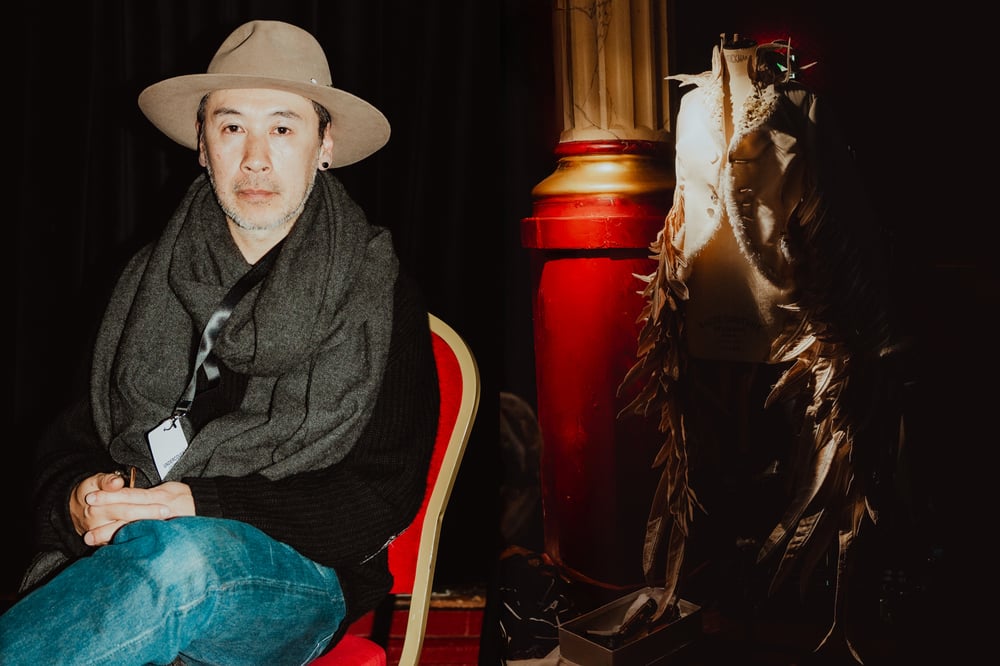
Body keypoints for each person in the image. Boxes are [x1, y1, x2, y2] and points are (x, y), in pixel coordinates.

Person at [0, 19, 440, 665]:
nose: (255, 157)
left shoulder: (379, 289)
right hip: (136, 558)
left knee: (179, 555)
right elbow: (66, 445)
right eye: (232, 127)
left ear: (324, 144)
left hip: (300, 577)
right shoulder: (138, 282)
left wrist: (196, 503)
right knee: (154, 564)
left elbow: (380, 495)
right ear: (203, 145)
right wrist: (83, 497)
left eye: (283, 129)